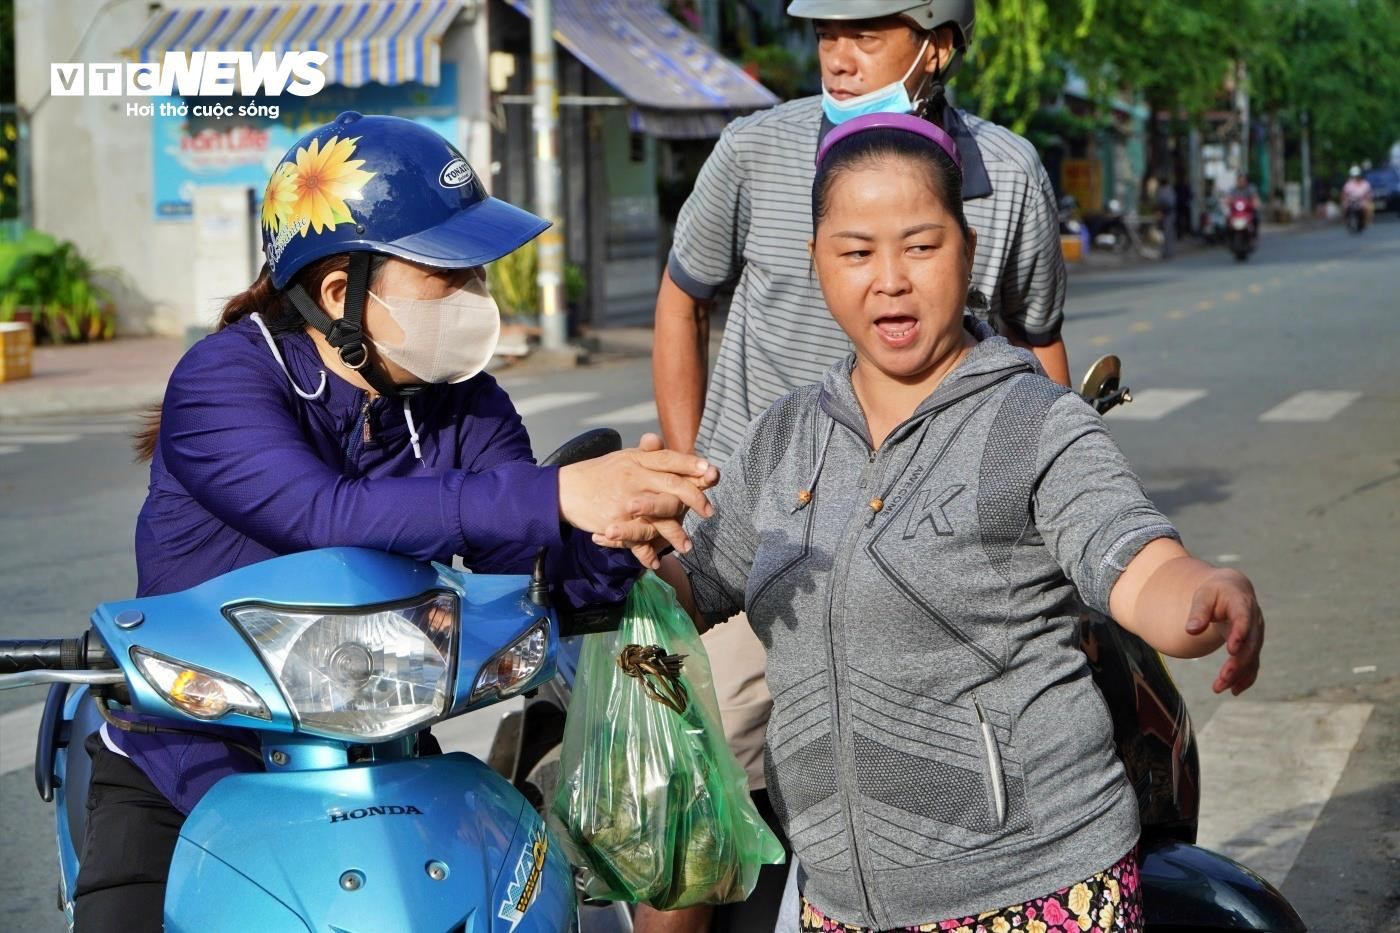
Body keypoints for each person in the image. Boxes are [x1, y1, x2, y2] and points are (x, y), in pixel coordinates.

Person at [627, 113, 1265, 933]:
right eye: (856, 252)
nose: (889, 278)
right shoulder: (782, 435)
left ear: (966, 253)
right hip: (843, 906)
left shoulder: (1032, 421)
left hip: (1033, 894)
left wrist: (1203, 592)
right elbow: (699, 583)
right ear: (817, 262)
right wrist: (639, 550)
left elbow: (1130, 552)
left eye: (920, 246)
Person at [77, 112, 715, 930]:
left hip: (380, 761)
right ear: (342, 292)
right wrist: (557, 493)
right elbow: (322, 513)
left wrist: (620, 535)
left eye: (479, 276)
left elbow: (525, 563)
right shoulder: (224, 377)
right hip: (190, 758)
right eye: (449, 278)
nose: (477, 301)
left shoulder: (463, 400)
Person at [647, 4, 1068, 929]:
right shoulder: (758, 152)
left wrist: (1064, 489)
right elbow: (682, 297)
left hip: (937, 543)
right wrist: (686, 472)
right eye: (826, 33)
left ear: (940, 47)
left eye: (867, 33)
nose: (838, 57)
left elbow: (1039, 351)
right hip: (761, 548)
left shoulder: (1009, 176)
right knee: (686, 761)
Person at [1154, 174, 1177, 259]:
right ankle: (1165, 252)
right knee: (1164, 235)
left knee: (1168, 234)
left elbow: (1169, 204)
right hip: (1164, 214)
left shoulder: (1167, 190)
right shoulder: (1164, 190)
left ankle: (1169, 252)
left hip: (1168, 214)